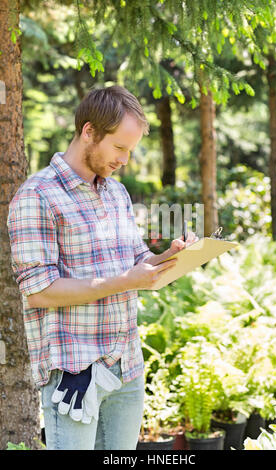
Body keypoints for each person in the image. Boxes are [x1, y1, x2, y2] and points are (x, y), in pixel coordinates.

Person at [7, 85, 197, 450]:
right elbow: (40, 291)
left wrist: (168, 258)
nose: (125, 159)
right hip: (76, 375)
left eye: (131, 150)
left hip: (127, 369)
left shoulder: (116, 192)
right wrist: (126, 280)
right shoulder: (38, 196)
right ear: (89, 131)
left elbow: (134, 262)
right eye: (120, 147)